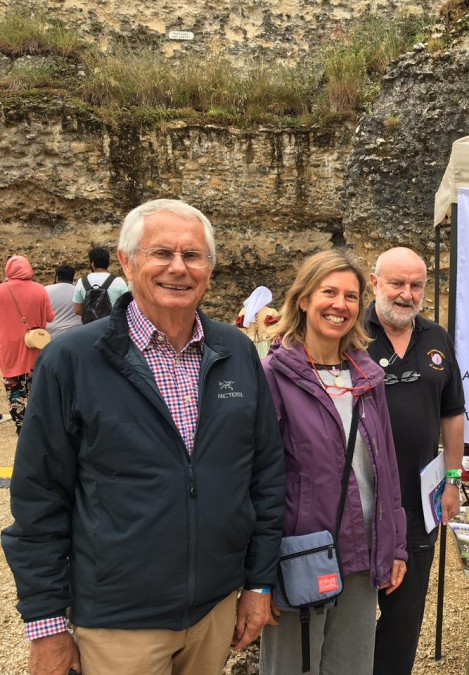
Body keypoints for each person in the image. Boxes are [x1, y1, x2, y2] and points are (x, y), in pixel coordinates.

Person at [1, 199, 285, 675]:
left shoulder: (234, 350)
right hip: (120, 624)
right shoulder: (73, 360)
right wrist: (47, 625)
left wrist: (258, 583)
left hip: (214, 610)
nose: (179, 268)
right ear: (127, 261)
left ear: (210, 270)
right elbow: (39, 499)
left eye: (193, 256)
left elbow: (265, 474)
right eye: (161, 253)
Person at [260, 249, 407, 675]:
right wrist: (259, 573)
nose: (339, 305)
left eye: (351, 296)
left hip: (361, 554)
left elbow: (388, 470)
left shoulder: (367, 377)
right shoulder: (273, 374)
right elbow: (258, 478)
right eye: (329, 292)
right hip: (301, 556)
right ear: (304, 299)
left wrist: (395, 544)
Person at [366, 247, 465, 675]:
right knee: (351, 611)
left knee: (404, 619)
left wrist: (455, 479)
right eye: (396, 283)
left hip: (418, 501)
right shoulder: (349, 332)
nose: (406, 294)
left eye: (416, 285)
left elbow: (453, 412)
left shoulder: (436, 337)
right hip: (360, 502)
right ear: (375, 283)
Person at [0, 255, 54, 435]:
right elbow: (50, 317)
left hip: (9, 347)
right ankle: (38, 421)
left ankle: (20, 424)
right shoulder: (40, 289)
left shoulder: (1, 290)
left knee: (14, 385)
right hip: (36, 344)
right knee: (37, 384)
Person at [73, 246, 129, 321]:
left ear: (92, 264)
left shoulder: (82, 282)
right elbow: (129, 307)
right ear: (108, 263)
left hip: (90, 327)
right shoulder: (118, 281)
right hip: (113, 326)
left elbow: (78, 310)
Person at [44, 265, 82, 338]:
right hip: (75, 333)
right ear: (72, 278)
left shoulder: (45, 290)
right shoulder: (78, 291)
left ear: (57, 278)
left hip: (51, 334)